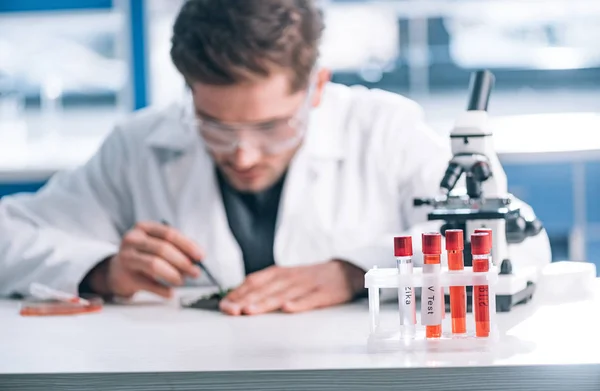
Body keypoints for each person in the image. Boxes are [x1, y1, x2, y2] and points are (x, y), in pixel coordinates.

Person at [0, 0, 550, 315]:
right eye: (214, 126)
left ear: (316, 87)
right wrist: (101, 269)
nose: (242, 154)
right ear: (188, 91)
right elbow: (9, 235)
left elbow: (513, 248)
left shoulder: (382, 129)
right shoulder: (139, 143)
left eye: (270, 126)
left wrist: (359, 270)